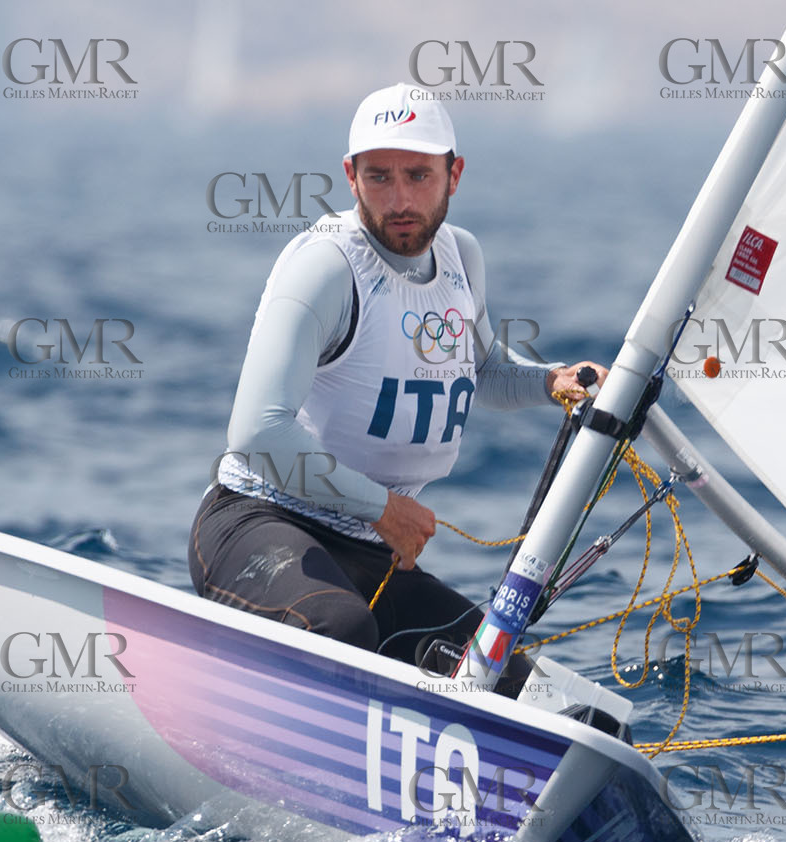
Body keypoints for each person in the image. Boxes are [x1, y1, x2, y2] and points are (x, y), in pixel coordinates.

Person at [189, 83, 606, 682]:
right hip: (258, 523)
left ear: (454, 174)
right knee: (340, 629)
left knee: (505, 678)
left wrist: (552, 381)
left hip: (370, 552)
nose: (400, 199)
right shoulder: (325, 267)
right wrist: (382, 508)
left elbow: (485, 371)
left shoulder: (462, 257)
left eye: (418, 175)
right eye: (379, 177)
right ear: (351, 176)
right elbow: (257, 432)